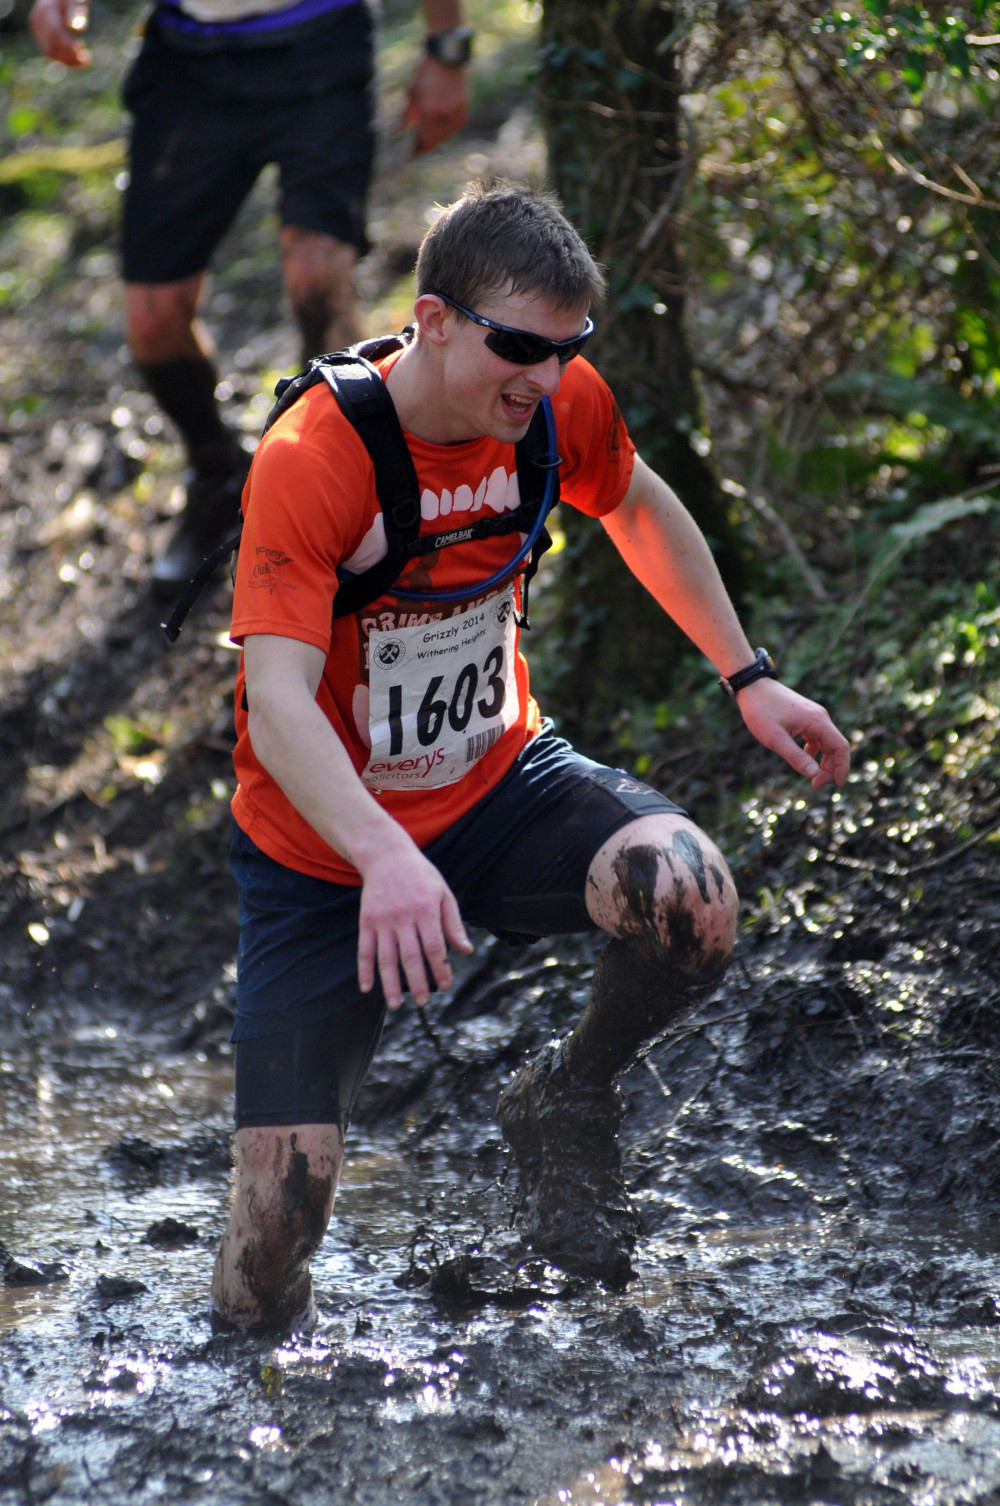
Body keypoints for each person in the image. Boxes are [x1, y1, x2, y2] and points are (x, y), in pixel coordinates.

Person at [211, 178, 851, 1334]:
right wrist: (379, 854)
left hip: (500, 786)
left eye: (568, 350)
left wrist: (748, 677)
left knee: (690, 892)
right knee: (268, 1255)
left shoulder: (555, 403)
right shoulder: (316, 455)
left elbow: (639, 505)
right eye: (518, 347)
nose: (543, 379)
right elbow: (279, 698)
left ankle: (565, 1098)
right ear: (435, 318)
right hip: (320, 853)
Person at [28, 0, 471, 597]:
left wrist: (447, 44)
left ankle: (338, 487)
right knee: (153, 320)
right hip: (187, 64)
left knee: (318, 281)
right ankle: (218, 474)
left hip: (320, 44)